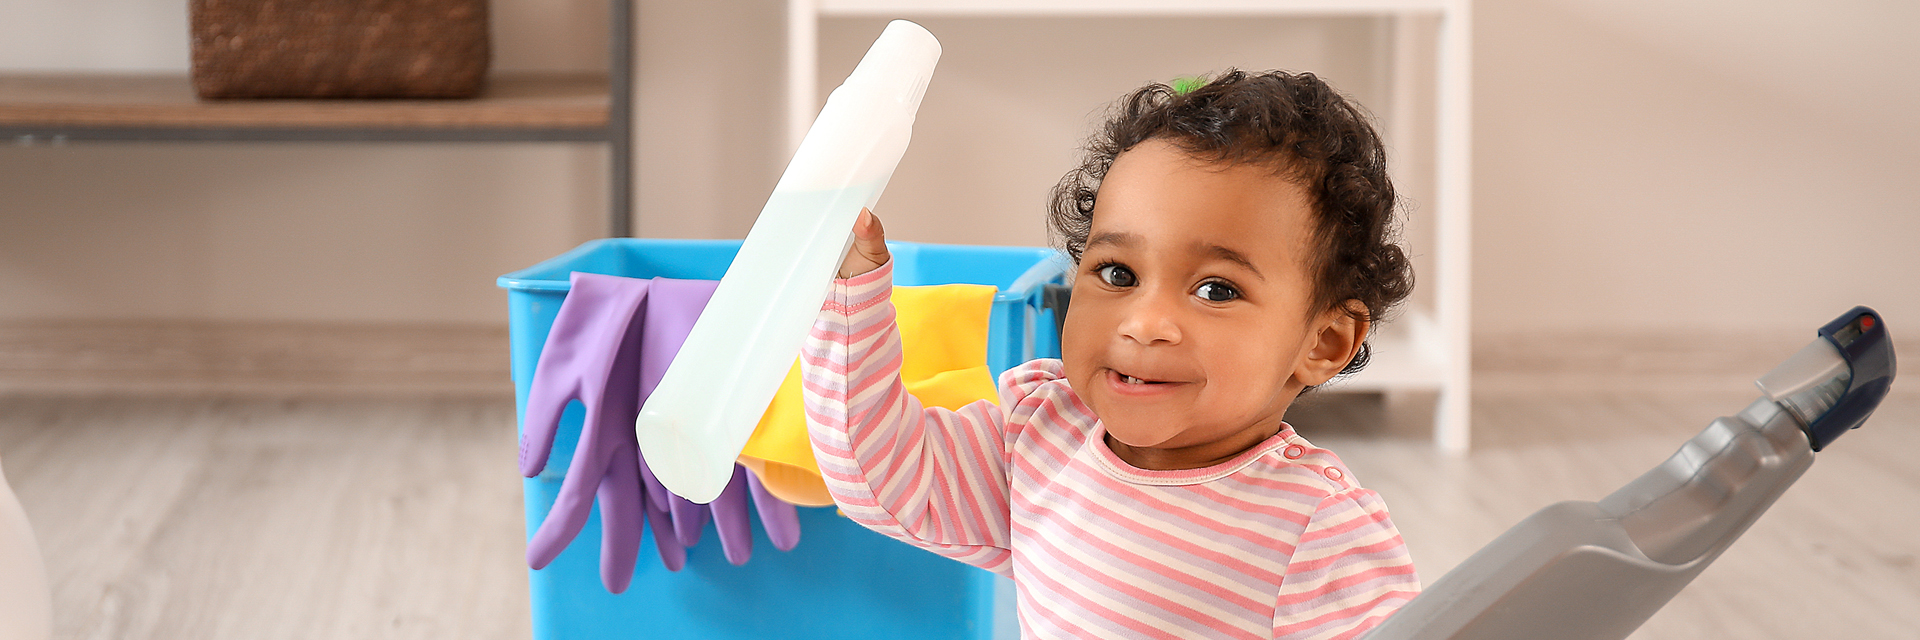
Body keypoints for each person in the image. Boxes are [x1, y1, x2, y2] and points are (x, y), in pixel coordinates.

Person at [802, 69, 1420, 640]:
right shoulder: (1042, 440)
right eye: (1118, 273)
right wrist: (851, 297)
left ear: (1323, 342)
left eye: (1216, 289)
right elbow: (878, 469)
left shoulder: (1317, 534)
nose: (1146, 322)